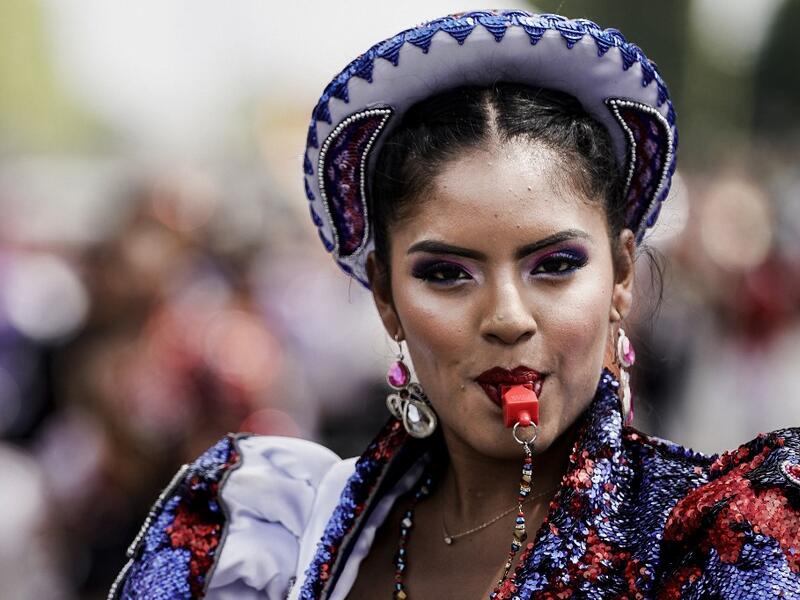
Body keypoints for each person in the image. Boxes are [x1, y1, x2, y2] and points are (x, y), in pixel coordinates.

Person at [109, 11, 800, 600]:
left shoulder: (725, 543)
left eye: (555, 266)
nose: (506, 317)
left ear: (620, 275)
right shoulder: (262, 536)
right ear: (385, 296)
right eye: (445, 274)